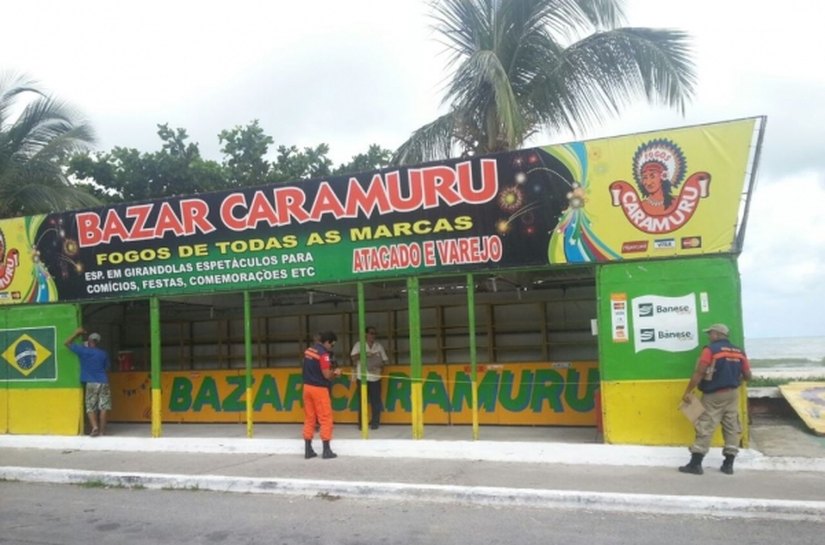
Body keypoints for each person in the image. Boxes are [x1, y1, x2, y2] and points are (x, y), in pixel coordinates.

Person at [679, 323, 752, 476]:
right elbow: (747, 375)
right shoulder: (739, 352)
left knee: (705, 425)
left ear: (717, 335)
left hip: (713, 395)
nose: (708, 336)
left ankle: (695, 464)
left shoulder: (710, 350)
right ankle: (728, 465)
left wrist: (688, 391)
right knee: (732, 426)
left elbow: (699, 373)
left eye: (710, 333)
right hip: (733, 394)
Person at [64, 327, 111, 437]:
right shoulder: (103, 353)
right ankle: (102, 432)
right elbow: (107, 367)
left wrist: (76, 333)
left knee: (90, 407)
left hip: (91, 382)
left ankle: (94, 427)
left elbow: (66, 343)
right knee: (103, 407)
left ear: (89, 341)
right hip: (103, 381)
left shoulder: (83, 351)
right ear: (97, 342)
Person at [302, 330, 342, 459]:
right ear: (327, 342)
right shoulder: (324, 354)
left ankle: (308, 450)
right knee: (325, 418)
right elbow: (326, 375)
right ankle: (326, 450)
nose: (332, 347)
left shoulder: (309, 350)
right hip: (319, 389)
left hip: (307, 387)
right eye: (332, 344)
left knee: (309, 418)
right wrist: (336, 373)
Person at [350, 326, 388, 430]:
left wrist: (378, 363)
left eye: (374, 333)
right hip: (362, 377)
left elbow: (384, 360)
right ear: (366, 334)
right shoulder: (359, 345)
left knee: (376, 401)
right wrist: (364, 354)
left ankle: (375, 423)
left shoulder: (378, 346)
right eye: (371, 333)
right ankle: (362, 423)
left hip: (375, 377)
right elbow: (353, 357)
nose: (373, 335)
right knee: (362, 401)